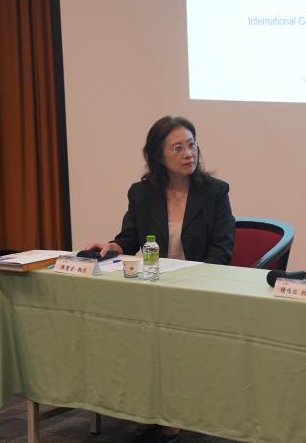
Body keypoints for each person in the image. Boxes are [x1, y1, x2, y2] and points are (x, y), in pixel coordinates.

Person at [86, 115, 235, 443]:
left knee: (170, 331)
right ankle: (147, 407)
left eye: (192, 144)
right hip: (155, 285)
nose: (188, 153)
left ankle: (171, 415)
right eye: (178, 147)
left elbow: (222, 251)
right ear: (158, 156)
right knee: (127, 328)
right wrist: (111, 246)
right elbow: (129, 237)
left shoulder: (215, 192)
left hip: (198, 287)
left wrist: (192, 282)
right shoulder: (141, 193)